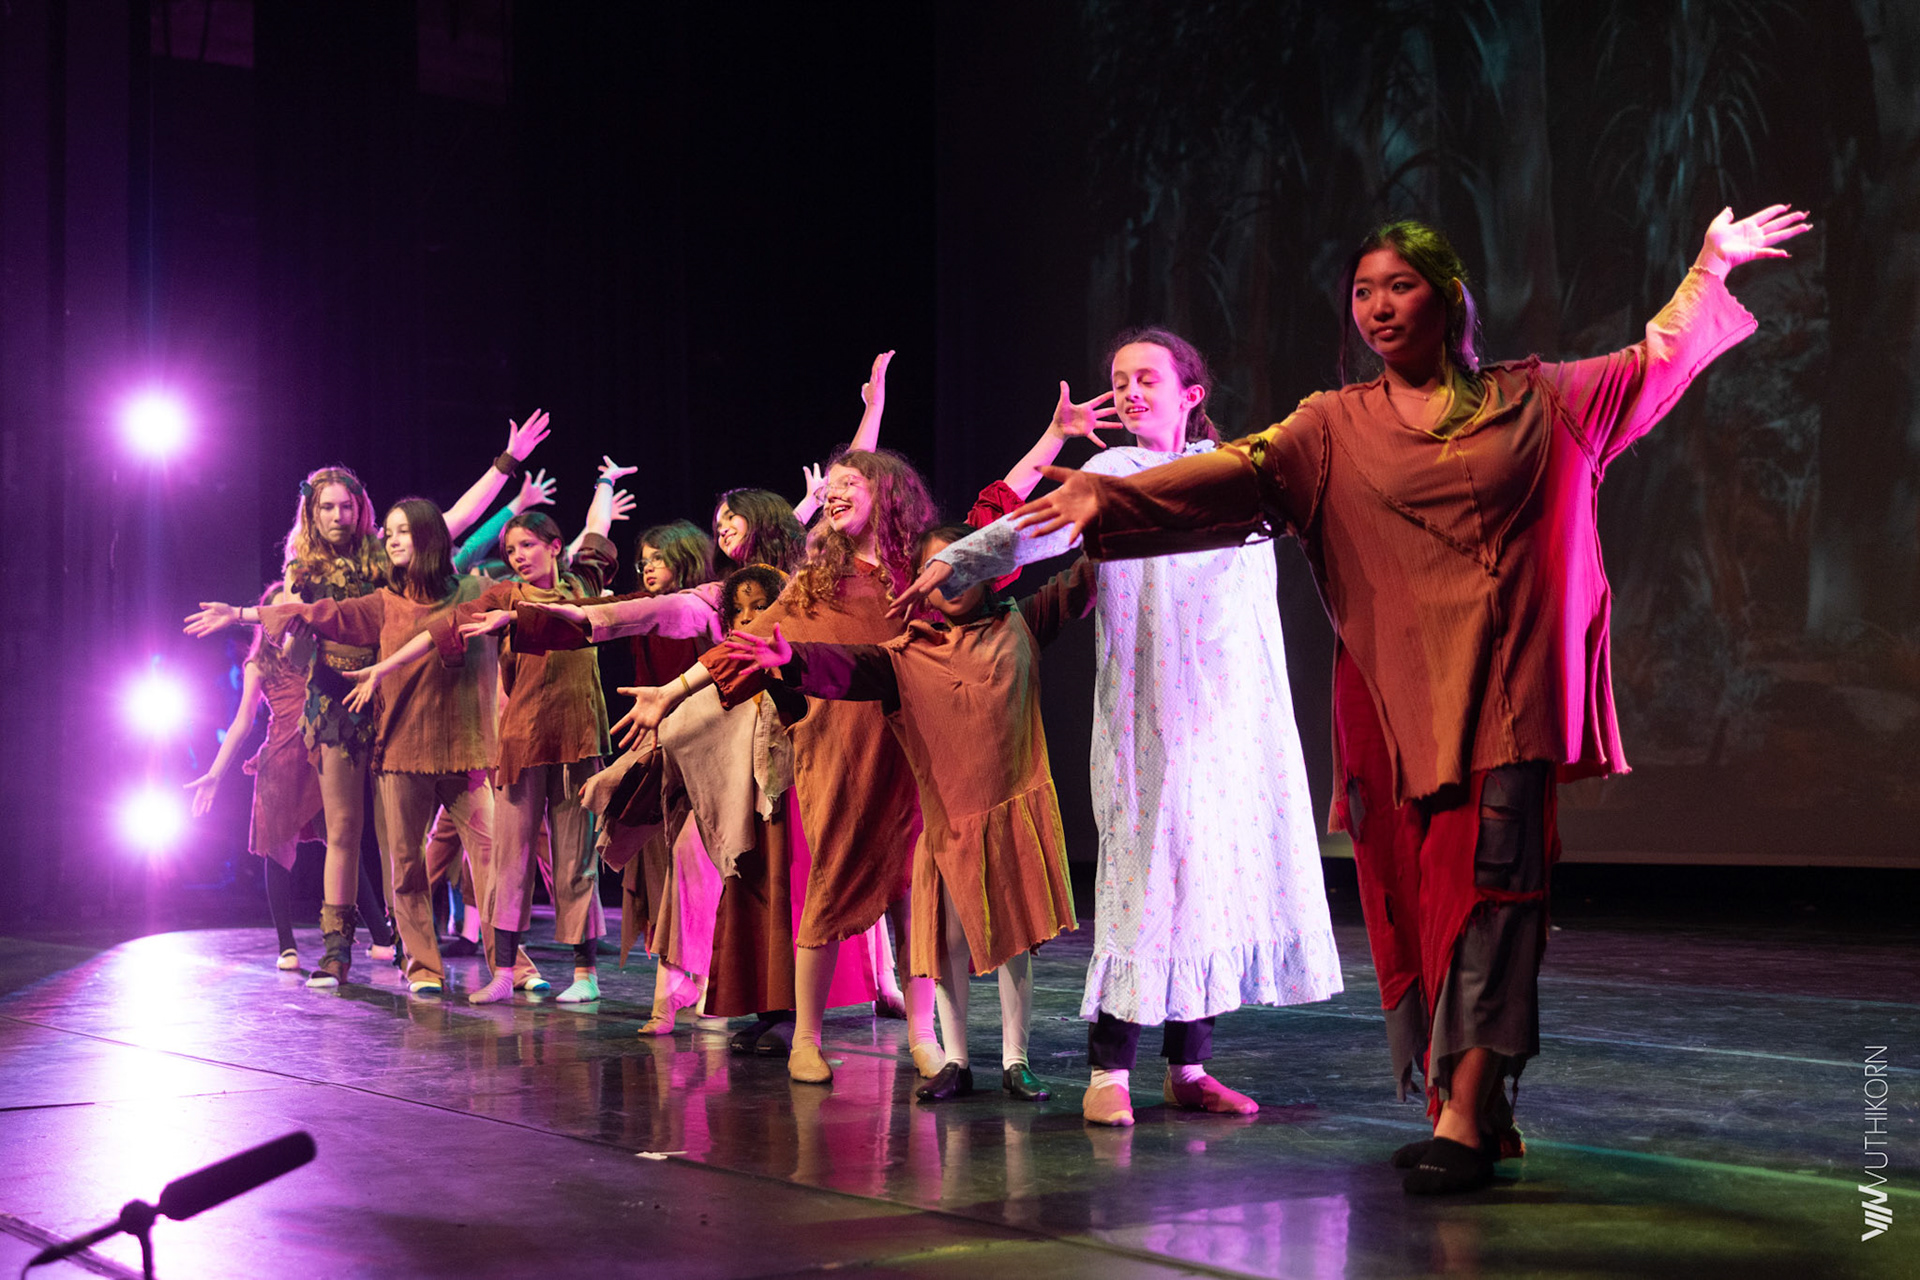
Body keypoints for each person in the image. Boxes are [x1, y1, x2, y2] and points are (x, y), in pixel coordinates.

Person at [992, 204, 1810, 1192]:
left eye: (1400, 286)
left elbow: (1650, 364)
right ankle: (1472, 1107)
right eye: (1363, 292)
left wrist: (1708, 270)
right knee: (1422, 908)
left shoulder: (1539, 400)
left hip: (1508, 701)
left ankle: (1464, 1117)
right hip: (1396, 713)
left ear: (1448, 297)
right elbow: (1231, 476)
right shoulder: (1332, 426)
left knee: (1495, 898)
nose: (1378, 306)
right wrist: (1101, 499)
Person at [893, 342, 1346, 1128]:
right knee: (1144, 882)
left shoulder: (1233, 471)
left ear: (1191, 393)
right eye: (1119, 382)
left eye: (1146, 379)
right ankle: (1110, 1071)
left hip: (1227, 713)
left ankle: (1188, 1067)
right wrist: (960, 561)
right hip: (1150, 709)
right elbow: (1035, 531)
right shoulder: (1112, 472)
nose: (1131, 392)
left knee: (1210, 879)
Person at [721, 525, 1094, 1102]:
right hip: (948, 827)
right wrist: (792, 659)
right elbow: (850, 668)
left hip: (1010, 817)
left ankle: (1015, 1061)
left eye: (963, 564)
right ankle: (957, 1060)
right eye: (938, 569)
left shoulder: (1020, 623)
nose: (952, 580)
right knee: (947, 943)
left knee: (1015, 944)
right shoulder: (909, 653)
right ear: (921, 582)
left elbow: (1081, 582)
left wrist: (1118, 519)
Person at [620, 448, 940, 1085]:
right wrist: (672, 692)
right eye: (831, 485)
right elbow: (745, 642)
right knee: (827, 893)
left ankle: (924, 1036)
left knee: (914, 899)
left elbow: (995, 526)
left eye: (851, 482)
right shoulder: (816, 583)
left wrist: (1051, 440)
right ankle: (807, 1039)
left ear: (889, 494)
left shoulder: (919, 575)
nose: (835, 492)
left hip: (909, 752)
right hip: (839, 751)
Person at [187, 498, 532, 995]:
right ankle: (419, 967)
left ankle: (512, 962)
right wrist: (242, 613)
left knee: (493, 856)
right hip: (400, 745)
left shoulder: (475, 590)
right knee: (402, 863)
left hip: (466, 751)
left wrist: (514, 488)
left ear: (428, 537)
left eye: (403, 531)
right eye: (388, 532)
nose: (391, 540)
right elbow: (321, 613)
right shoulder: (382, 603)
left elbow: (513, 572)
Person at [352, 461, 633, 1004]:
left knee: (576, 862)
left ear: (556, 547)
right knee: (507, 860)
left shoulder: (583, 585)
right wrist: (383, 668)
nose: (519, 556)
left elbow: (598, 531)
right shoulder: (502, 595)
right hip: (522, 743)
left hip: (579, 740)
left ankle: (585, 974)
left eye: (528, 546)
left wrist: (605, 482)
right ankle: (505, 972)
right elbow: (440, 629)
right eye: (511, 549)